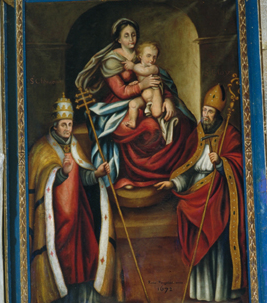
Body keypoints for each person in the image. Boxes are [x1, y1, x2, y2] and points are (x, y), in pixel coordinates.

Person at [28, 94, 122, 303]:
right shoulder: (43, 149)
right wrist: (60, 173)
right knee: (63, 261)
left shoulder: (75, 145)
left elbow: (83, 177)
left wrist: (96, 173)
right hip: (58, 221)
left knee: (86, 256)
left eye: (70, 124)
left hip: (79, 216)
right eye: (63, 124)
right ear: (55, 125)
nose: (68, 129)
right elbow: (42, 181)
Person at [75, 18, 196, 189]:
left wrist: (168, 100)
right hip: (118, 105)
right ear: (118, 39)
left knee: (179, 121)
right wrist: (142, 85)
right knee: (147, 127)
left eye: (133, 35)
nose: (131, 39)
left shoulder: (143, 54)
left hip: (147, 98)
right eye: (126, 35)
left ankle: (169, 177)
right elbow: (121, 92)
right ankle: (128, 178)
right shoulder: (111, 61)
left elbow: (159, 81)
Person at [155, 84, 246, 303]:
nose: (205, 115)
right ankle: (201, 294)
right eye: (204, 110)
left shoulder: (230, 133)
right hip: (196, 193)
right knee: (198, 240)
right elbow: (188, 167)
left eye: (210, 112)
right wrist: (173, 182)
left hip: (219, 197)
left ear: (218, 113)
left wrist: (222, 162)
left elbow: (240, 164)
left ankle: (223, 294)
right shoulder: (198, 133)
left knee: (216, 245)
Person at [124, 41, 164, 129]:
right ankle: (132, 121)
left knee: (156, 113)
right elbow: (141, 79)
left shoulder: (154, 68)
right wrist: (136, 83)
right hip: (144, 98)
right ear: (140, 56)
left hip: (154, 95)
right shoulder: (138, 67)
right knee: (133, 104)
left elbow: (144, 72)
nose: (152, 59)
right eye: (148, 56)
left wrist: (133, 66)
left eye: (154, 57)